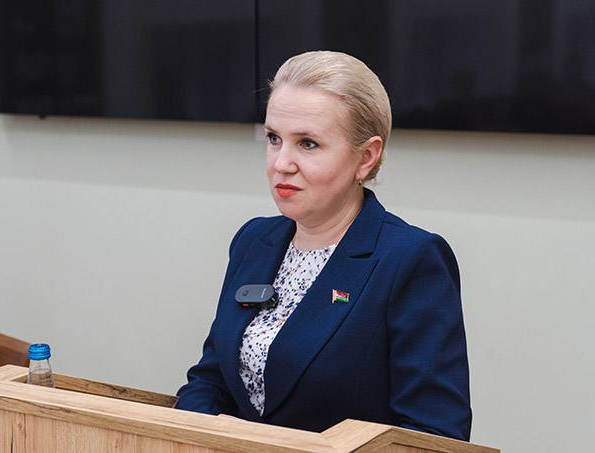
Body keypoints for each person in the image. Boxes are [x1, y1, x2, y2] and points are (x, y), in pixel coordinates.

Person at [175, 50, 472, 441]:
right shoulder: (253, 241)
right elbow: (210, 381)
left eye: (308, 144)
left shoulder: (410, 259)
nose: (282, 163)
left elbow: (434, 436)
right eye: (274, 139)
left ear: (366, 157)